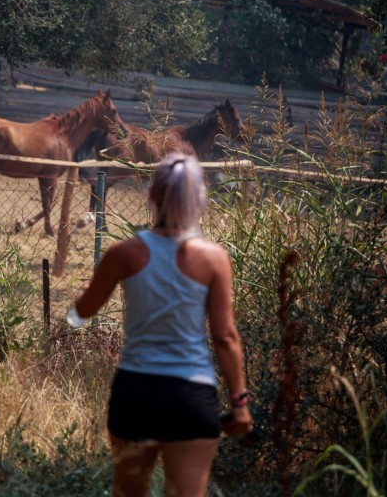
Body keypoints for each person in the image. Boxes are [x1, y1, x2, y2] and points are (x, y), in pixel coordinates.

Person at [67, 152, 253, 497]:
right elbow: (225, 336)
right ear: (199, 200)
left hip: (135, 392)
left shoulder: (123, 254)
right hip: (191, 398)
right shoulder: (214, 259)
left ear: (151, 196)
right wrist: (239, 402)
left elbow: (85, 309)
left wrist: (78, 307)